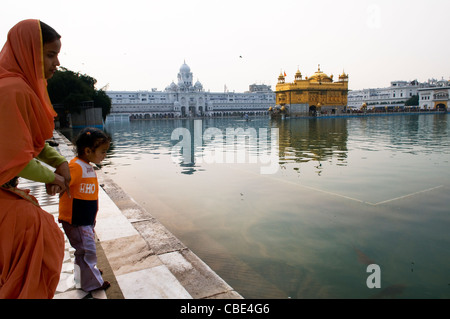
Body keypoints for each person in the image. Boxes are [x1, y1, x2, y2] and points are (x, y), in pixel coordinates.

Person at [0, 20, 69, 298]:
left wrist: (59, 162)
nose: (57, 63)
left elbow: (29, 139)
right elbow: (13, 156)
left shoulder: (18, 85)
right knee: (35, 233)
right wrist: (55, 177)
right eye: (50, 54)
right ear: (29, 51)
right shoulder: (11, 89)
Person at [58, 127, 111, 292]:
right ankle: (92, 282)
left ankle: (86, 274)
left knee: (83, 250)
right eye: (102, 152)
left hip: (84, 219)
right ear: (88, 151)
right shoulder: (76, 167)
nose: (105, 155)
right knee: (88, 250)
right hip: (76, 220)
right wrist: (54, 183)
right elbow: (62, 179)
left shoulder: (86, 165)